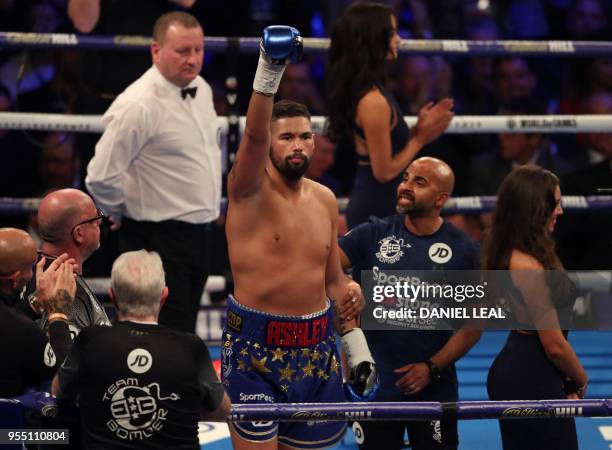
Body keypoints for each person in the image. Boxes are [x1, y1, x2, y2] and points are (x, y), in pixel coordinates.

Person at [223, 26, 376, 449]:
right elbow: (252, 135)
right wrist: (269, 70)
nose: (298, 146)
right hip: (256, 352)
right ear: (269, 143)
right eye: (286, 136)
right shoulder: (247, 190)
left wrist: (356, 344)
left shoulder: (326, 199)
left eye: (305, 136)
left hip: (317, 351)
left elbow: (333, 282)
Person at [86, 11, 221, 333]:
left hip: (199, 234)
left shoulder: (200, 88)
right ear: (156, 51)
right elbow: (100, 175)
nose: (192, 60)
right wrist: (119, 212)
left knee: (184, 331)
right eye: (182, 51)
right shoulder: (138, 104)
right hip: (156, 238)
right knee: (162, 336)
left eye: (198, 50)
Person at [339, 157, 481, 450]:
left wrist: (432, 367)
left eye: (420, 182)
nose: (405, 186)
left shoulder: (464, 250)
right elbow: (323, 269)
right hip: (374, 387)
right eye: (405, 178)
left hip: (434, 388)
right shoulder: (373, 233)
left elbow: (474, 325)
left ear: (441, 198)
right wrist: (347, 288)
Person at [52, 250, 230, 448]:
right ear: (164, 296)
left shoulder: (90, 340)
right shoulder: (190, 347)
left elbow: (58, 392)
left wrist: (57, 316)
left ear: (112, 295)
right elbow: (222, 411)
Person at [484, 165, 588, 450]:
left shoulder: (525, 251)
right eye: (555, 203)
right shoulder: (527, 265)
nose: (561, 211)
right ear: (536, 207)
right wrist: (581, 377)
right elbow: (554, 344)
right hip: (529, 376)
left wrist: (566, 378)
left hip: (532, 370)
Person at [326, 1, 454, 230]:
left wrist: (419, 130)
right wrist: (420, 138)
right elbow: (383, 171)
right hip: (375, 209)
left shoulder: (372, 89)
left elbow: (387, 147)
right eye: (392, 32)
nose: (399, 39)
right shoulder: (372, 101)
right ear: (375, 39)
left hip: (380, 205)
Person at [17, 189, 111, 337]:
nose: (100, 222)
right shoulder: (66, 290)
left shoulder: (31, 270)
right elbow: (69, 356)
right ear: (79, 233)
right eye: (95, 219)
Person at [0, 227, 75, 397]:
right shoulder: (24, 333)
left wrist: (36, 301)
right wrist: (58, 314)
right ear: (16, 279)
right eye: (31, 268)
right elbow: (64, 378)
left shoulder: (15, 325)